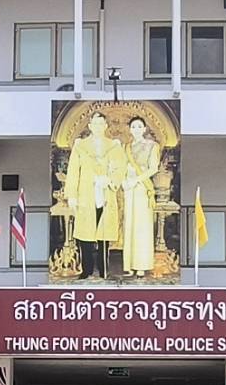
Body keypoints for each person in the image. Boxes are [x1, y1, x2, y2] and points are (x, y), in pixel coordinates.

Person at [64, 109, 126, 280]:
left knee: (104, 235)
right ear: (90, 126)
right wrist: (72, 195)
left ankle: (104, 269)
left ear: (105, 126)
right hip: (85, 194)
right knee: (85, 235)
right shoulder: (80, 146)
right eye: (95, 123)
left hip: (105, 194)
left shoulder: (113, 146)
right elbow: (73, 171)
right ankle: (86, 270)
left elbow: (119, 168)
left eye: (101, 123)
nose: (98, 126)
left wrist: (110, 180)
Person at [120, 114, 160, 277]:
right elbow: (121, 166)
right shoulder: (126, 147)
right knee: (129, 224)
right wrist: (124, 181)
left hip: (143, 186)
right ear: (130, 130)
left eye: (139, 126)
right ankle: (129, 264)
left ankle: (141, 265)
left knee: (142, 226)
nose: (136, 129)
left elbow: (153, 168)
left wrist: (136, 180)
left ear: (144, 129)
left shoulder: (152, 146)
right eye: (133, 127)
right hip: (128, 187)